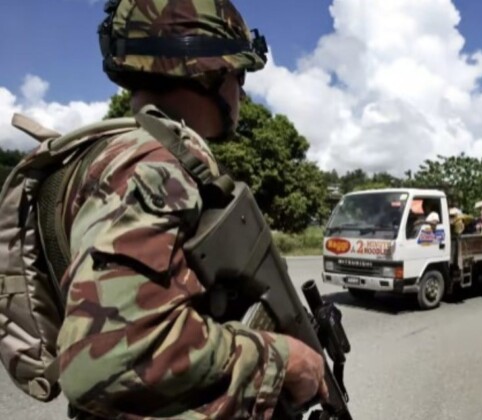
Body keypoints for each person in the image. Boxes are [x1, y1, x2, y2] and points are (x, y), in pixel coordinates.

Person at [50, 1, 326, 418]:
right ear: (207, 71)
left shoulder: (103, 156)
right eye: (239, 74)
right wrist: (282, 357)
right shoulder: (153, 166)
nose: (243, 91)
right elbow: (104, 359)